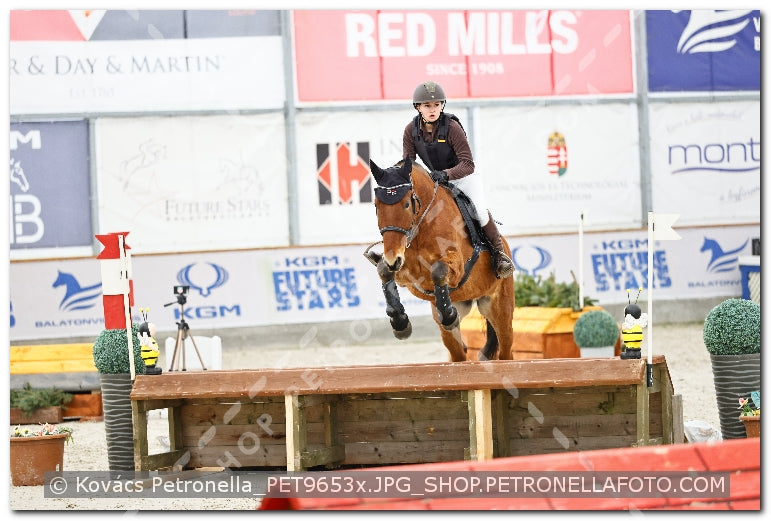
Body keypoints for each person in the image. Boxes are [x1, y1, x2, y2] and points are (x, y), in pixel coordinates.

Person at [402, 80, 514, 279]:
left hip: (463, 177)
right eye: (427, 105)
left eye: (437, 104)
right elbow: (409, 164)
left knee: (478, 211)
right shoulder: (411, 130)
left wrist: (446, 174)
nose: (433, 109)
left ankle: (499, 256)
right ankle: (398, 254)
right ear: (418, 107)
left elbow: (468, 164)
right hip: (436, 182)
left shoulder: (452, 127)